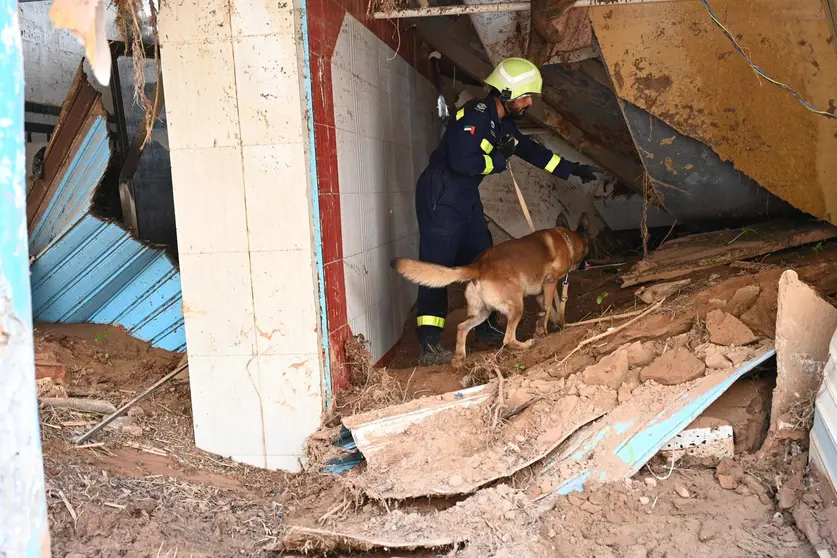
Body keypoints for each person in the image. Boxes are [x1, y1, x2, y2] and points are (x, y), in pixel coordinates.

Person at [412, 57, 598, 366]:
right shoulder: (477, 115)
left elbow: (532, 152)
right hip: (441, 195)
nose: (528, 103)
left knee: (485, 259)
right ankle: (429, 345)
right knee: (438, 264)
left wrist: (572, 169)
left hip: (466, 198)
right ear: (507, 94)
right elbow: (462, 162)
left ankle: (485, 328)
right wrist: (498, 160)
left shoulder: (501, 124)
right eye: (525, 96)